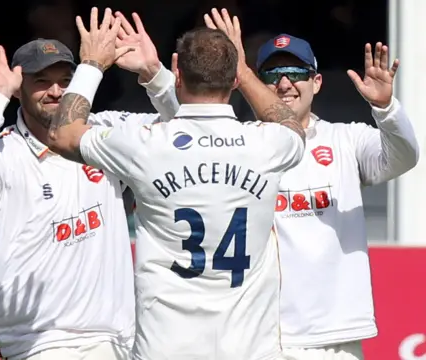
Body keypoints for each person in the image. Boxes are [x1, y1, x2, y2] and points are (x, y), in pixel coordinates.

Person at [48, 8, 305, 360]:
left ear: (178, 73)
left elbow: (63, 134)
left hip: (165, 346)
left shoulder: (144, 144)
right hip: (249, 348)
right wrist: (242, 70)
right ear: (232, 80)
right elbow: (291, 123)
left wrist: (92, 64)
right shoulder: (268, 144)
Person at [0, 10, 181, 360]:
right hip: (38, 340)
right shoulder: (6, 151)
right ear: (19, 90)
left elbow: (187, 135)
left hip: (115, 338)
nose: (55, 91)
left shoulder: (104, 134)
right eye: (41, 81)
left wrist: (154, 74)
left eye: (65, 80)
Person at [255, 34, 419, 359]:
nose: (285, 83)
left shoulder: (347, 139)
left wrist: (385, 108)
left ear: (316, 82)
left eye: (296, 73)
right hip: (266, 334)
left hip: (336, 336)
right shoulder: (244, 145)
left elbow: (404, 157)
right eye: (273, 75)